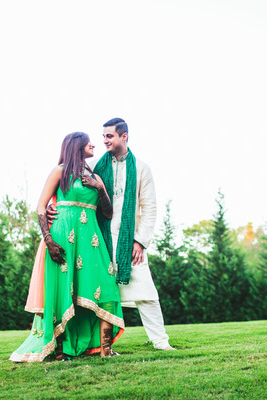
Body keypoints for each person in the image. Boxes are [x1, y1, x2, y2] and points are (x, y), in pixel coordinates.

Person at [50, 118, 174, 351]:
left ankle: (160, 341)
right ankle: (93, 346)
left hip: (130, 241)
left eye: (110, 136)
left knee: (146, 292)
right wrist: (52, 207)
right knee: (96, 292)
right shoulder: (94, 166)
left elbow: (150, 207)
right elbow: (71, 192)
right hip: (98, 239)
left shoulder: (142, 168)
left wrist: (140, 241)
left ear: (124, 136)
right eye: (103, 136)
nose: (104, 140)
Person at [9, 132, 124, 362]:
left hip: (91, 240)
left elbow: (108, 212)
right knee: (63, 291)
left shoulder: (96, 177)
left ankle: (105, 349)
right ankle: (61, 352)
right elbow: (41, 207)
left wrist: (99, 188)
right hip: (63, 238)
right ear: (76, 146)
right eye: (88, 141)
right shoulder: (59, 171)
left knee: (107, 286)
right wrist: (49, 240)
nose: (93, 144)